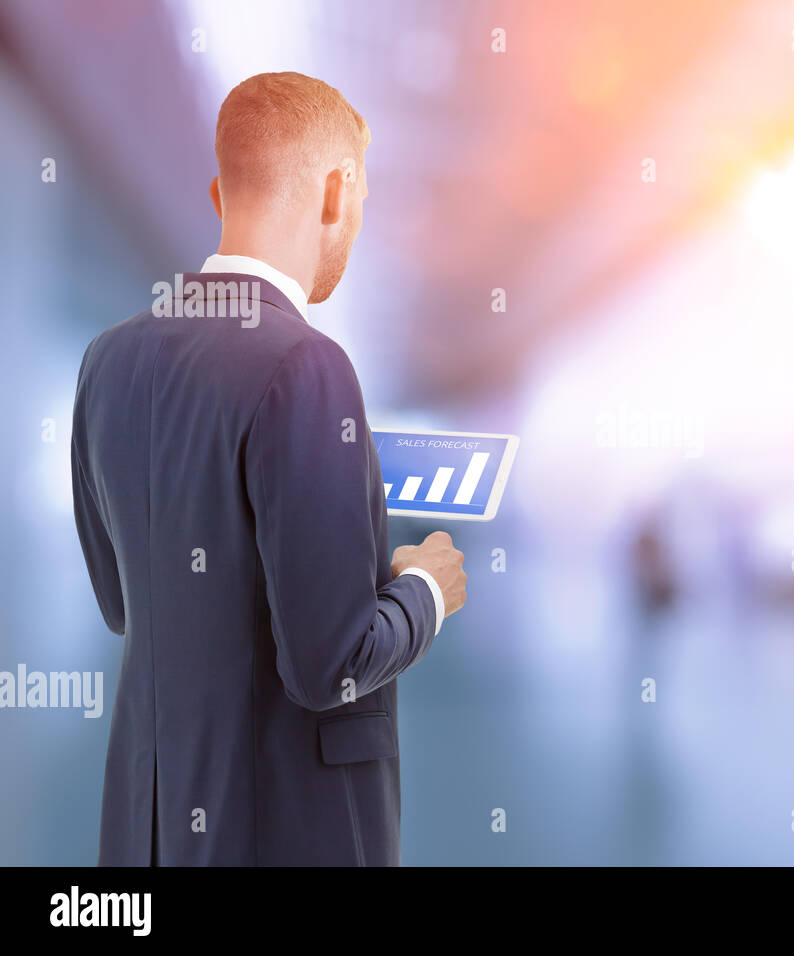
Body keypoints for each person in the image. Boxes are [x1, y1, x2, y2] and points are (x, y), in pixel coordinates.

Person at [70, 72, 466, 865]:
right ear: (335, 190)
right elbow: (331, 667)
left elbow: (122, 602)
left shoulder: (107, 360)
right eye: (361, 202)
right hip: (282, 834)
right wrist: (426, 588)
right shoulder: (306, 366)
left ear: (222, 193)